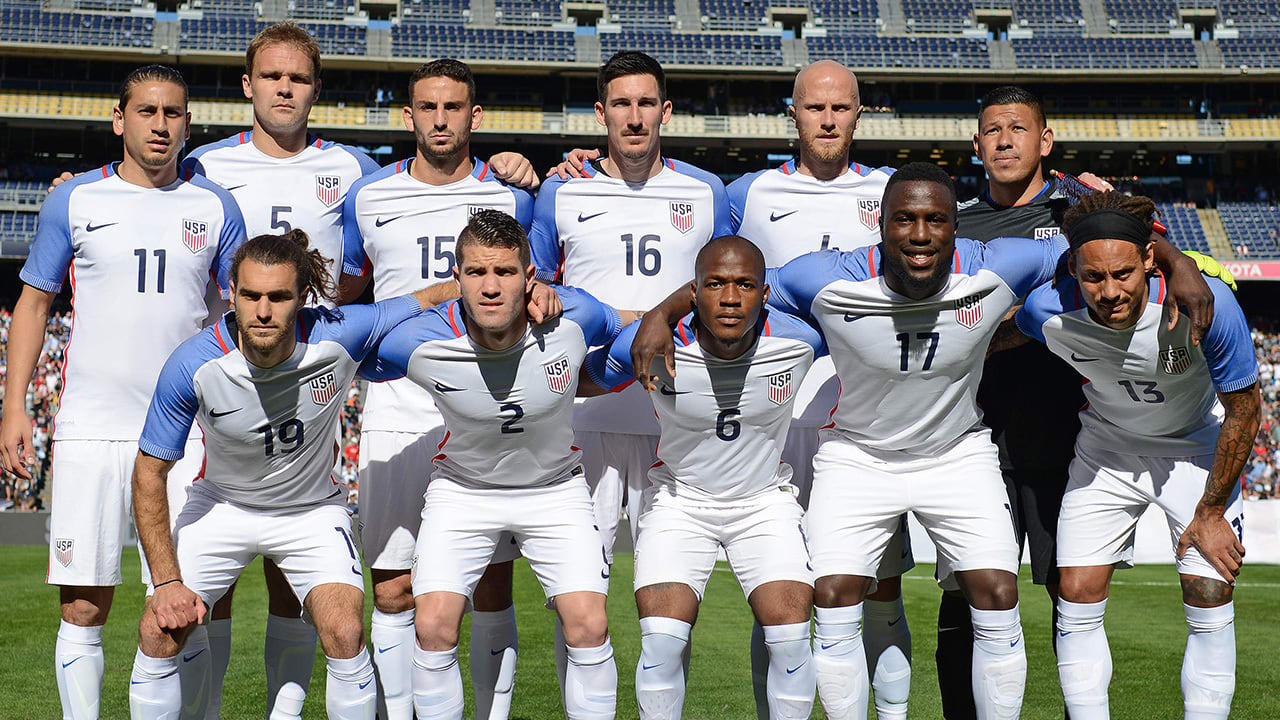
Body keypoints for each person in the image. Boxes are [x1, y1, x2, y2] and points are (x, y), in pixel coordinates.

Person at [628, 163, 1214, 720]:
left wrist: (1175, 260)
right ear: (879, 226)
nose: (919, 233)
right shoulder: (826, 276)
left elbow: (1100, 240)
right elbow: (738, 284)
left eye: (934, 220)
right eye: (903, 219)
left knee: (996, 591)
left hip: (956, 451)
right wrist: (663, 310)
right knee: (832, 596)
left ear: (955, 226)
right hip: (858, 454)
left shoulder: (998, 264)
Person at [948, 86, 1225, 720]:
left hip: (1065, 436)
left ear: (1045, 141)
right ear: (977, 144)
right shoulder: (955, 220)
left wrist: (1180, 260)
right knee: (971, 598)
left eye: (1019, 129)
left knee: (1070, 598)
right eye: (993, 130)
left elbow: (1143, 250)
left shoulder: (1082, 208)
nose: (1005, 140)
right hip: (972, 437)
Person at [0, 65, 245, 720]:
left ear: (188, 125)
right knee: (83, 605)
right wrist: (14, 407)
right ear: (120, 120)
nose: (160, 125)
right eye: (146, 112)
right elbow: (32, 303)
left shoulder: (216, 207)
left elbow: (242, 314)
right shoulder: (73, 200)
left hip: (185, 434)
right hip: (90, 428)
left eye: (173, 114)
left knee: (181, 605)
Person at [126, 228, 442, 720]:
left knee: (344, 630)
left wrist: (529, 292)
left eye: (279, 296)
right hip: (221, 506)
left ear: (303, 297)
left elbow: (429, 297)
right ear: (230, 292)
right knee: (159, 629)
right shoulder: (193, 363)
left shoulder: (340, 333)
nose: (263, 310)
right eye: (250, 295)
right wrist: (166, 581)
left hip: (311, 510)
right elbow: (149, 472)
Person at [362, 210, 631, 720]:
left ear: (531, 278)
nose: (490, 287)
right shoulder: (415, 340)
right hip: (463, 490)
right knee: (434, 625)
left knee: (589, 624)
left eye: (505, 272)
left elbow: (636, 331)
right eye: (477, 273)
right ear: (456, 277)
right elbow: (340, 346)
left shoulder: (575, 315)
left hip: (555, 490)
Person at [338, 58, 538, 720]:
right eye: (428, 107)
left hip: (486, 413)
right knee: (393, 587)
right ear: (409, 116)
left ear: (475, 116)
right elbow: (343, 294)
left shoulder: (513, 197)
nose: (441, 119)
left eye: (454, 108)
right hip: (396, 411)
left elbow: (541, 292)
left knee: (489, 585)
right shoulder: (367, 197)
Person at [529, 50, 731, 687]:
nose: (635, 117)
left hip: (674, 420)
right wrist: (627, 315)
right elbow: (534, 292)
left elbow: (720, 289)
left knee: (667, 608)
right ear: (601, 113)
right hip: (581, 415)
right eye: (621, 103)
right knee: (578, 598)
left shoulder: (706, 191)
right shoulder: (563, 188)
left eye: (647, 103)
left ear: (666, 112)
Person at [1014, 192, 1257, 720]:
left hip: (1194, 446)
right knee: (1075, 594)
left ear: (1149, 258)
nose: (1110, 292)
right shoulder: (1046, 311)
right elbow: (1008, 332)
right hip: (1106, 447)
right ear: (1072, 269)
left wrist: (1211, 512)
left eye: (1123, 273)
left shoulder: (1206, 304)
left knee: (1209, 594)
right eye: (1093, 277)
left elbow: (1246, 411)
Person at [726, 60, 912, 720]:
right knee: (775, 597)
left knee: (878, 591)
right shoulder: (746, 193)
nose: (827, 119)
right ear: (793, 114)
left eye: (840, 108)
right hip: (773, 422)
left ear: (859, 115)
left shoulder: (894, 193)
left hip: (869, 422)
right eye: (814, 108)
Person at [585, 236, 822, 720]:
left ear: (765, 292)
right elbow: (575, 377)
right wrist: (653, 319)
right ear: (695, 291)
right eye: (715, 284)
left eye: (745, 285)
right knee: (662, 644)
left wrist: (661, 308)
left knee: (792, 640)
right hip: (680, 502)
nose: (730, 298)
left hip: (764, 501)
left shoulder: (801, 341)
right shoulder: (651, 349)